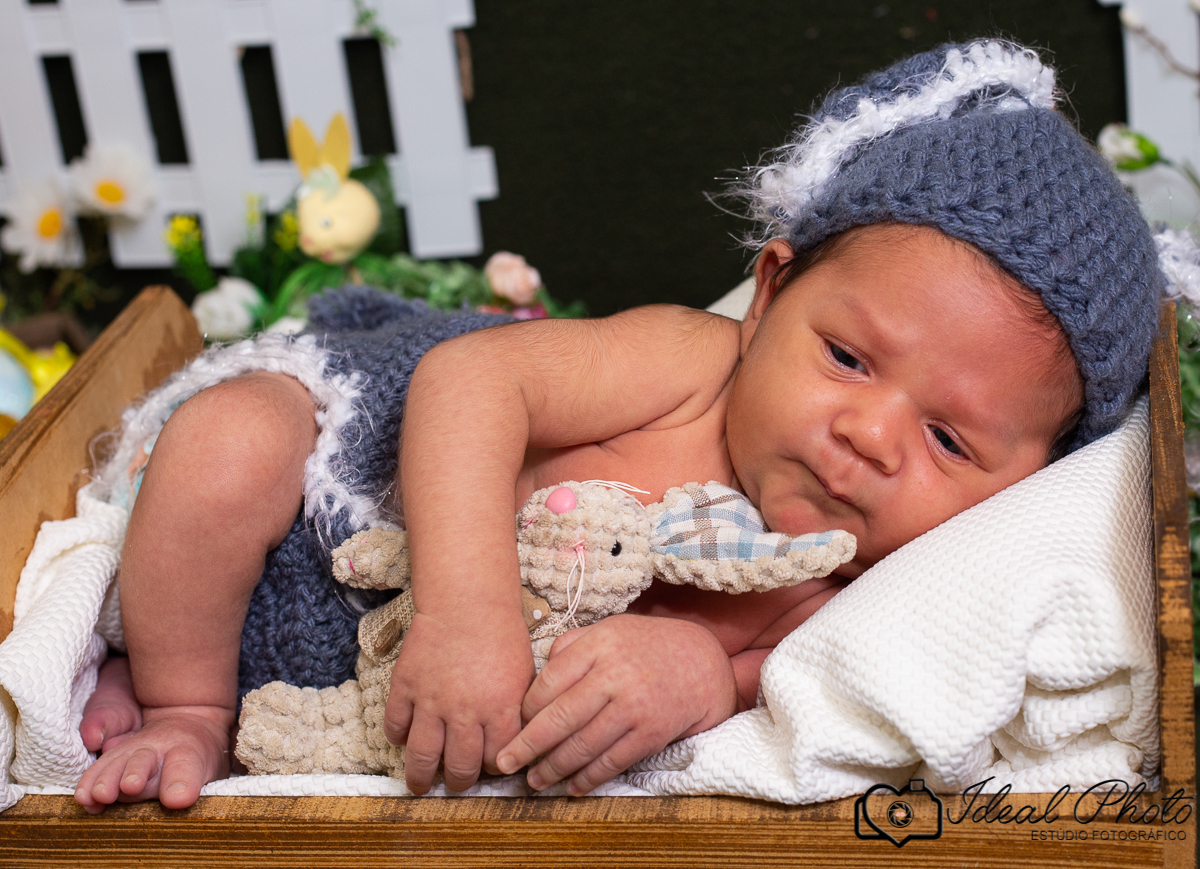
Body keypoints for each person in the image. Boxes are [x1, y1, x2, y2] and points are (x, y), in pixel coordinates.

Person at [72, 39, 1163, 812]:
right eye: (846, 356)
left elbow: (790, 669)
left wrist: (704, 667)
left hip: (364, 689)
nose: (870, 435)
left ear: (1027, 485)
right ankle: (185, 700)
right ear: (772, 293)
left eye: (952, 441)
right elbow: (469, 383)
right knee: (227, 442)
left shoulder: (876, 581)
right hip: (338, 499)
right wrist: (467, 604)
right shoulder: (693, 362)